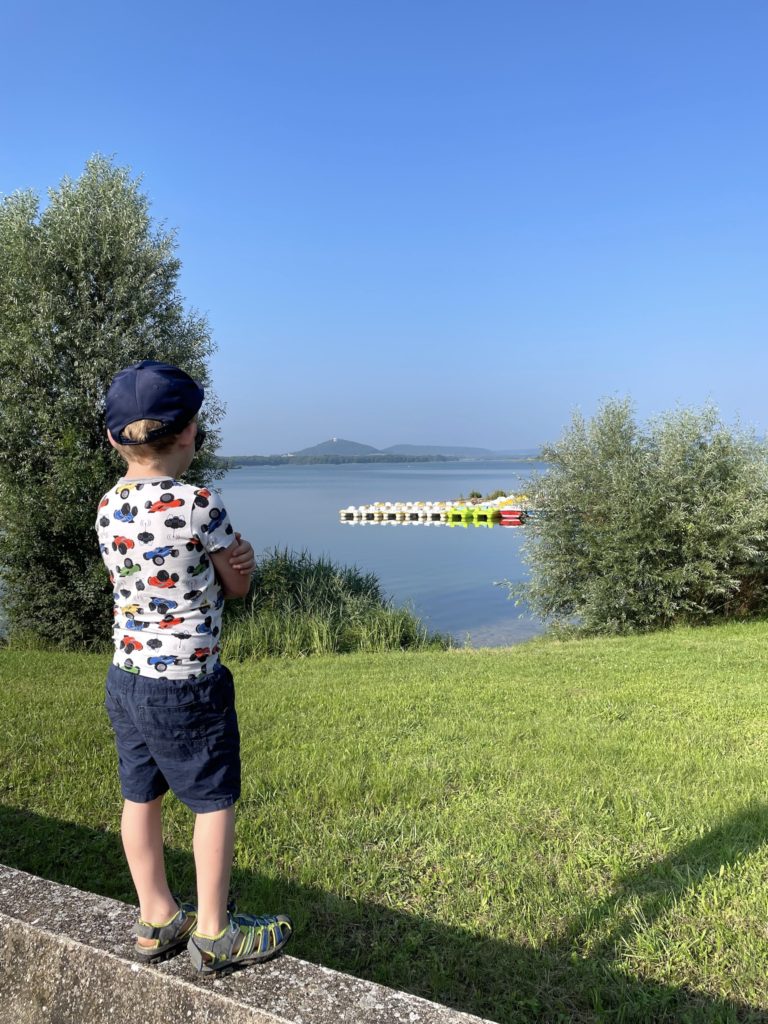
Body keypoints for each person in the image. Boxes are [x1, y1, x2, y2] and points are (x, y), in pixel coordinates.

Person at [96, 359, 292, 973]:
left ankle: (157, 917)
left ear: (113, 439)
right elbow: (235, 586)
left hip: (126, 675)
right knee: (212, 799)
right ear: (189, 433)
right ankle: (214, 931)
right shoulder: (199, 503)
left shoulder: (108, 506)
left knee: (140, 795)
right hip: (186, 682)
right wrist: (245, 568)